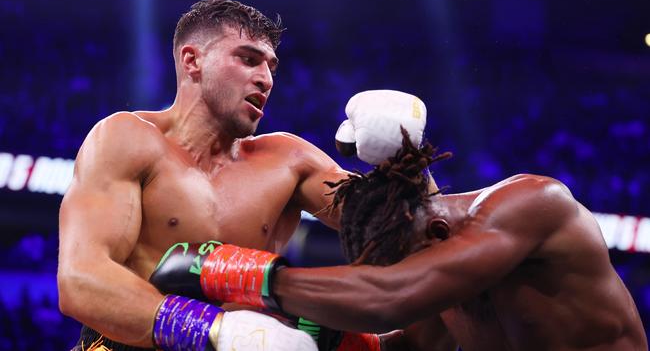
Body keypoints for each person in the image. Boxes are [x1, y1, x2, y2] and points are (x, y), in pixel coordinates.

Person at [56, 0, 428, 351]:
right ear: (192, 61)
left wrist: (408, 159)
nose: (266, 78)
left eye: (271, 66)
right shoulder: (128, 138)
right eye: (249, 59)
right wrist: (211, 330)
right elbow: (80, 281)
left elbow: (417, 231)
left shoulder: (288, 160)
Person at [193, 130, 648, 350]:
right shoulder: (448, 279)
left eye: (406, 264)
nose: (409, 276)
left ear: (435, 232)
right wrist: (332, 340)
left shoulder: (533, 202)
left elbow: (393, 294)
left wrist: (238, 273)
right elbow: (412, 345)